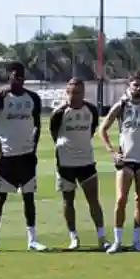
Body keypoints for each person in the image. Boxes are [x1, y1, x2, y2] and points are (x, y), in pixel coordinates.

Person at [0, 62, 47, 253]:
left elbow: (38, 125)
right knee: (0, 199)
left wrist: (34, 149)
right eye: (16, 76)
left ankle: (32, 240)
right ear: (9, 76)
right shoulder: (0, 97)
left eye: (22, 76)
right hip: (6, 157)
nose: (20, 79)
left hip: (26, 156)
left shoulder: (33, 98)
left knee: (29, 198)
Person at [97, 72, 140, 253]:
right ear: (128, 86)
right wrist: (111, 151)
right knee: (121, 199)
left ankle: (136, 241)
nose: (138, 88)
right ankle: (117, 241)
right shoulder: (121, 105)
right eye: (135, 85)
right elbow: (102, 129)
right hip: (126, 160)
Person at [50, 78, 108, 251]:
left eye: (78, 92)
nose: (75, 96)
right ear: (67, 92)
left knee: (93, 200)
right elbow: (54, 133)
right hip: (65, 163)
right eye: (72, 92)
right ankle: (73, 237)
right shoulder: (59, 112)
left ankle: (102, 237)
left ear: (83, 93)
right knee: (68, 201)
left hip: (86, 161)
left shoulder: (91, 109)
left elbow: (92, 129)